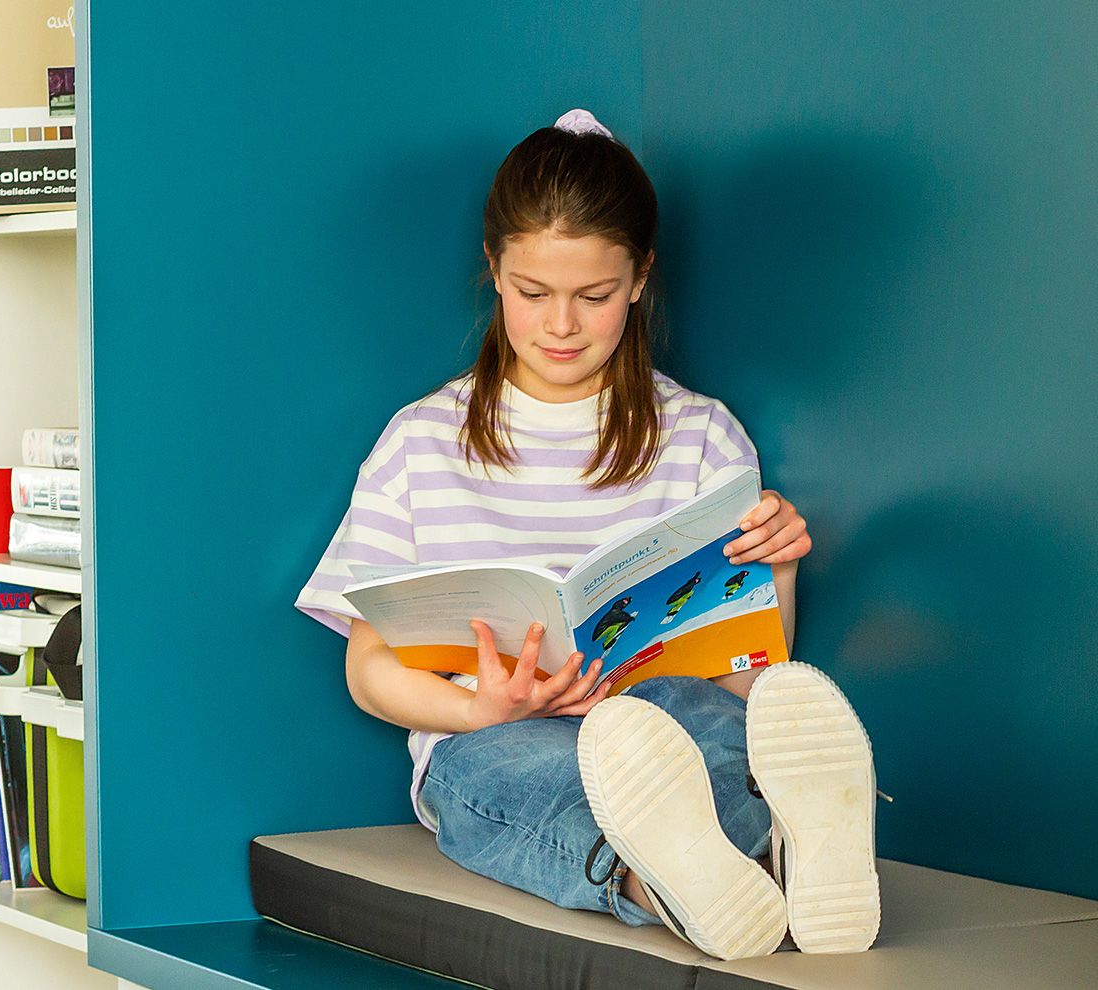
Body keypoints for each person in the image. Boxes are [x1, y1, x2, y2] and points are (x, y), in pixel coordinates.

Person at [294, 109, 880, 960]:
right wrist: (475, 707)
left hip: (673, 716)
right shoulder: (419, 442)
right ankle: (727, 867)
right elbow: (368, 665)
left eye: (594, 296)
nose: (561, 326)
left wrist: (773, 565)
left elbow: (751, 675)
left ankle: (725, 865)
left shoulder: (704, 437)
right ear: (494, 270)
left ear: (640, 278)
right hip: (498, 741)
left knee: (701, 722)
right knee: (487, 780)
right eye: (533, 294)